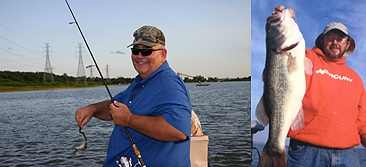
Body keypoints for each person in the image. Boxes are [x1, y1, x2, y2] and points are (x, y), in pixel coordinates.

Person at [75, 25, 192, 167]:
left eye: (147, 51)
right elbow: (115, 107)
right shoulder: (141, 81)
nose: (140, 56)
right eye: (135, 51)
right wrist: (93, 109)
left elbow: (178, 130)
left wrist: (129, 119)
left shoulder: (169, 84)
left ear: (163, 54)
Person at [269, 6, 366, 166]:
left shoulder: (356, 78)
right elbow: (283, 44)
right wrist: (286, 18)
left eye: (340, 38)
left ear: (347, 44)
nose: (335, 42)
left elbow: (363, 120)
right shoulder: (305, 58)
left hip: (348, 155)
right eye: (330, 37)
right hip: (306, 153)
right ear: (322, 41)